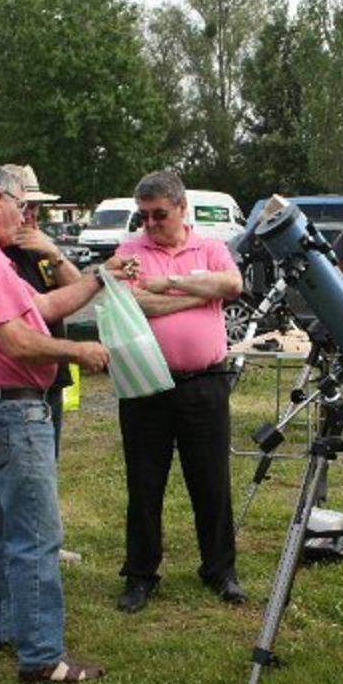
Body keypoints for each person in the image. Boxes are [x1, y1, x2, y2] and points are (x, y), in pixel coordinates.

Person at [0, 164, 134, 684]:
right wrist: (78, 350)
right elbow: (16, 341)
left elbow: (42, 306)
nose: (25, 215)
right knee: (37, 535)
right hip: (13, 410)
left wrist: (100, 276)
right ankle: (43, 657)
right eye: (21, 204)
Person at [112, 170, 247, 613]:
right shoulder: (130, 252)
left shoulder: (210, 247)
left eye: (159, 215)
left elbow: (232, 285)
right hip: (145, 386)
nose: (150, 224)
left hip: (204, 383)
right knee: (144, 482)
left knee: (211, 481)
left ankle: (220, 570)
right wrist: (198, 292)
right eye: (144, 216)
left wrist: (167, 283)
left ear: (182, 208)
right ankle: (140, 574)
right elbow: (131, 301)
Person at [1, 164, 80, 454]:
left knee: (48, 462)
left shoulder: (40, 247)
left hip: (51, 377)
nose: (32, 215)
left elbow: (77, 290)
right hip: (18, 382)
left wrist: (54, 253)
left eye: (37, 207)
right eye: (26, 206)